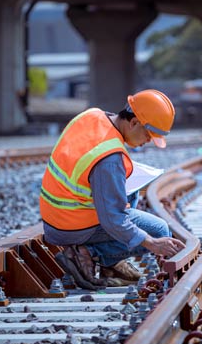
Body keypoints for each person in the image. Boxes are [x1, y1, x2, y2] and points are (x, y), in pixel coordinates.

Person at [39, 89, 186, 290]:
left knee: (130, 188)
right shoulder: (109, 159)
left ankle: (107, 261)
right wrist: (152, 242)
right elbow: (113, 220)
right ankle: (89, 255)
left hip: (55, 214)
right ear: (134, 122)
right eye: (148, 135)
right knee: (159, 230)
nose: (148, 141)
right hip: (70, 225)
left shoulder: (92, 115)